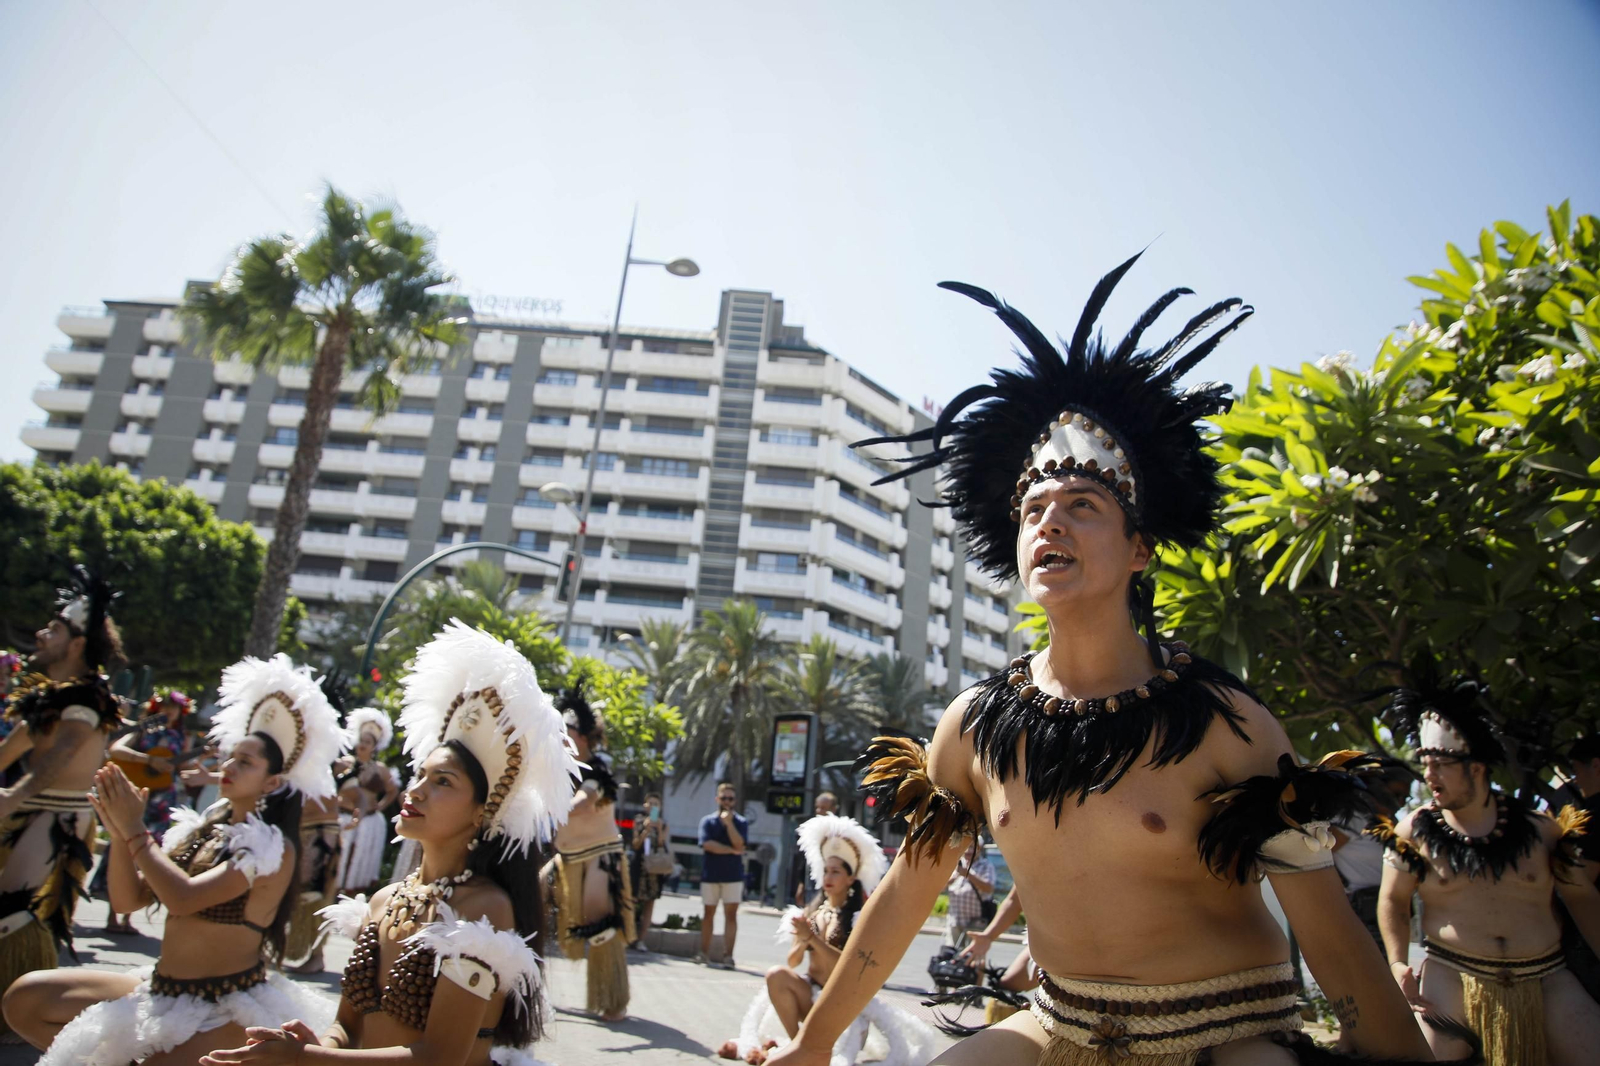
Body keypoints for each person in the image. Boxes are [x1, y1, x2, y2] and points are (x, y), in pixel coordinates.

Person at [767, 259, 1435, 1066]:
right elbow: (905, 897)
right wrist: (811, 1045)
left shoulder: (1226, 724)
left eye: (1083, 507)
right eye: (1035, 511)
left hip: (1225, 1034)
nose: (1052, 523)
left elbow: (1332, 941)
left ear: (1140, 550)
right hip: (1061, 1024)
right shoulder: (975, 726)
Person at [201, 620, 580, 1066]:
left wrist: (308, 1059)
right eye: (420, 775)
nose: (415, 790)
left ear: (483, 812)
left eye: (442, 782)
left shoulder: (485, 910)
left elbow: (439, 1058)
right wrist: (318, 1044)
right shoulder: (384, 900)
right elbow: (348, 1025)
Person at [4, 652, 344, 1063]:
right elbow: (130, 901)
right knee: (25, 999)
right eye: (231, 756)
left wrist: (135, 831)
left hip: (221, 1005)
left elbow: (184, 898)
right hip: (161, 990)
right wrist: (119, 836)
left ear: (272, 781)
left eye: (245, 762)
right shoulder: (205, 828)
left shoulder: (273, 847)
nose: (228, 766)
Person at [1372, 662, 1600, 1065]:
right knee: (1424, 1057)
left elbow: (1582, 897)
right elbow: (1392, 899)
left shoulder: (1540, 831)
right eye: (1425, 764)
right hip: (1451, 977)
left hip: (1544, 978)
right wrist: (1397, 963)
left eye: (1439, 764)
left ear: (1475, 768)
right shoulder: (1413, 831)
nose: (1429, 775)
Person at [0, 566, 123, 1024]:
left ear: (75, 643)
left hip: (57, 821)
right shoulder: (49, 696)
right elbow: (10, 749)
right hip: (26, 812)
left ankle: (17, 1012)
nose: (40, 633)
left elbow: (66, 748)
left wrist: (14, 795)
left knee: (16, 912)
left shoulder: (89, 698)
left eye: (52, 628)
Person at [721, 813, 934, 1066]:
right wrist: (802, 940)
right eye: (826, 871)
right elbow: (792, 962)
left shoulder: (858, 918)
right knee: (776, 975)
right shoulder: (812, 913)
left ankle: (808, 1050)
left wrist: (813, 939)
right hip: (808, 997)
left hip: (841, 1006)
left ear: (850, 879)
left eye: (835, 872)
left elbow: (848, 968)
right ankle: (799, 1045)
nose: (828, 878)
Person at [546, 683, 633, 1021]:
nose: (562, 739)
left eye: (567, 733)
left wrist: (550, 814)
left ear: (583, 737)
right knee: (527, 903)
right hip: (565, 860)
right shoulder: (556, 771)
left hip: (600, 857)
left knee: (601, 926)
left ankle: (613, 1001)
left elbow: (586, 802)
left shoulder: (599, 769)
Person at [96, 688, 195, 935]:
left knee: (148, 853)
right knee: (123, 847)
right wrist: (148, 761)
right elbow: (117, 750)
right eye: (164, 705)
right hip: (136, 793)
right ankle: (112, 914)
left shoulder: (182, 736)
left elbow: (183, 767)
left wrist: (202, 760)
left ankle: (128, 916)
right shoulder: (144, 728)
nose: (168, 710)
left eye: (173, 706)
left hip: (163, 799)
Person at [282, 673, 354, 974]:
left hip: (321, 830)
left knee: (317, 896)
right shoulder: (309, 741)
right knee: (294, 893)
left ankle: (315, 957)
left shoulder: (318, 741)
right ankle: (293, 953)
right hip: (312, 825)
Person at [1329, 765, 1413, 951]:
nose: (1399, 802)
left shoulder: (1387, 821)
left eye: (1405, 798)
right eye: (1397, 793)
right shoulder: (1354, 816)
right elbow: (1319, 853)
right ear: (1378, 787)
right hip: (1363, 911)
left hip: (1385, 908)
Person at [334, 707, 398, 894]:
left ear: (374, 746)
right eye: (362, 740)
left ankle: (350, 894)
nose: (363, 744)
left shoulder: (380, 769)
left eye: (368, 742)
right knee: (339, 858)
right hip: (344, 818)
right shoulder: (344, 763)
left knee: (357, 861)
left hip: (368, 823)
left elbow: (392, 791)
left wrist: (380, 806)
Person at [956, 887, 1039, 1026]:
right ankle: (1007, 1042)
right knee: (1005, 993)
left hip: (1083, 944)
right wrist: (988, 936)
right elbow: (1015, 899)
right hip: (1048, 939)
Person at [699, 780, 748, 970]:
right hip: (710, 874)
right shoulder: (707, 822)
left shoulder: (741, 822)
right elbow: (707, 845)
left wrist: (729, 825)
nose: (727, 801)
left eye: (731, 798)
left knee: (731, 916)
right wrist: (730, 850)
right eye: (724, 797)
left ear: (735, 801)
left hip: (733, 876)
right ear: (717, 798)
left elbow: (740, 845)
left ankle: (728, 956)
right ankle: (704, 953)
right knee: (708, 914)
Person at [629, 791, 670, 951]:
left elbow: (662, 845)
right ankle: (629, 936)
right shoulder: (639, 821)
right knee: (632, 900)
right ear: (645, 805)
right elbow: (635, 844)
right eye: (650, 803)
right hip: (639, 865)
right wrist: (645, 830)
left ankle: (641, 939)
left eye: (656, 804)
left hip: (654, 867)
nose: (653, 806)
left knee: (650, 903)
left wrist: (659, 830)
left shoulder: (663, 824)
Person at [941, 838, 994, 952]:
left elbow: (988, 888)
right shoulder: (955, 864)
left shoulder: (986, 866)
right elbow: (941, 887)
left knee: (971, 956)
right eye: (966, 846)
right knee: (951, 954)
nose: (968, 850)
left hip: (975, 922)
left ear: (979, 849)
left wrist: (968, 874)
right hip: (955, 920)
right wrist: (954, 878)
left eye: (972, 847)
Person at [792, 792, 840, 907]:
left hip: (831, 884)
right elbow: (805, 860)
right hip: (811, 883)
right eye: (817, 807)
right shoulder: (810, 831)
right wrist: (801, 884)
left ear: (833, 809)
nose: (819, 811)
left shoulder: (840, 831)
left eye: (823, 808)